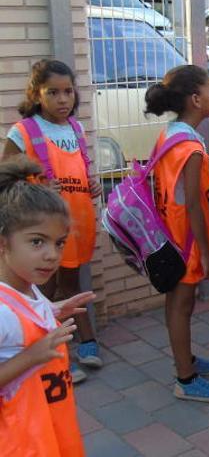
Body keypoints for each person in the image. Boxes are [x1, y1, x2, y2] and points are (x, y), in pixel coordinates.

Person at [2, 59, 102, 384]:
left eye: (68, 91)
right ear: (36, 93)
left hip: (75, 222)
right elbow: (7, 178)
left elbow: (79, 171)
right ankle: (53, 354)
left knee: (71, 282)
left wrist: (93, 183)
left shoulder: (75, 128)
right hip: (40, 227)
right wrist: (36, 186)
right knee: (41, 289)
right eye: (53, 92)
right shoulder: (24, 132)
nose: (63, 100)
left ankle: (84, 341)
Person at [144, 65, 209, 403]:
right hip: (187, 241)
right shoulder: (192, 149)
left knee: (177, 304)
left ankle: (186, 358)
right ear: (196, 99)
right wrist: (207, 254)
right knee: (182, 305)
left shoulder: (171, 133)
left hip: (170, 234)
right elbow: (194, 205)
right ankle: (186, 378)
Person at [0, 156, 96, 457]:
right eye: (37, 242)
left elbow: (22, 324)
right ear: (3, 243)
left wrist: (53, 310)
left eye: (59, 243)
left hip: (52, 428)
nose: (52, 255)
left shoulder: (28, 288)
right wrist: (32, 356)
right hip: (23, 443)